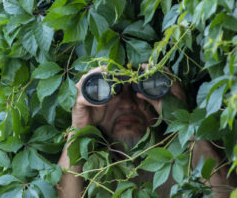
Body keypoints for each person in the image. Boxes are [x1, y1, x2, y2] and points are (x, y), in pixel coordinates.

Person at [57, 65, 236, 198]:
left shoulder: (191, 152)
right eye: (113, 90)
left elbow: (224, 193)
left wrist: (181, 118)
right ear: (94, 100)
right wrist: (79, 126)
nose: (127, 104)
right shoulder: (91, 167)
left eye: (140, 88)